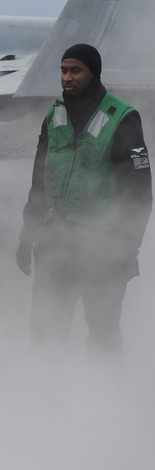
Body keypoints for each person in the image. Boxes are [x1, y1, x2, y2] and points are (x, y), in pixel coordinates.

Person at [17, 43, 151, 356]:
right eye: (63, 70)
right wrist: (27, 237)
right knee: (45, 328)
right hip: (55, 243)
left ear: (93, 73)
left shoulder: (123, 118)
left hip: (102, 248)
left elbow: (139, 192)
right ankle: (47, 399)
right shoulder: (54, 115)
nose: (67, 77)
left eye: (75, 70)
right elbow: (39, 182)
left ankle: (103, 400)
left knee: (103, 331)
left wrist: (125, 247)